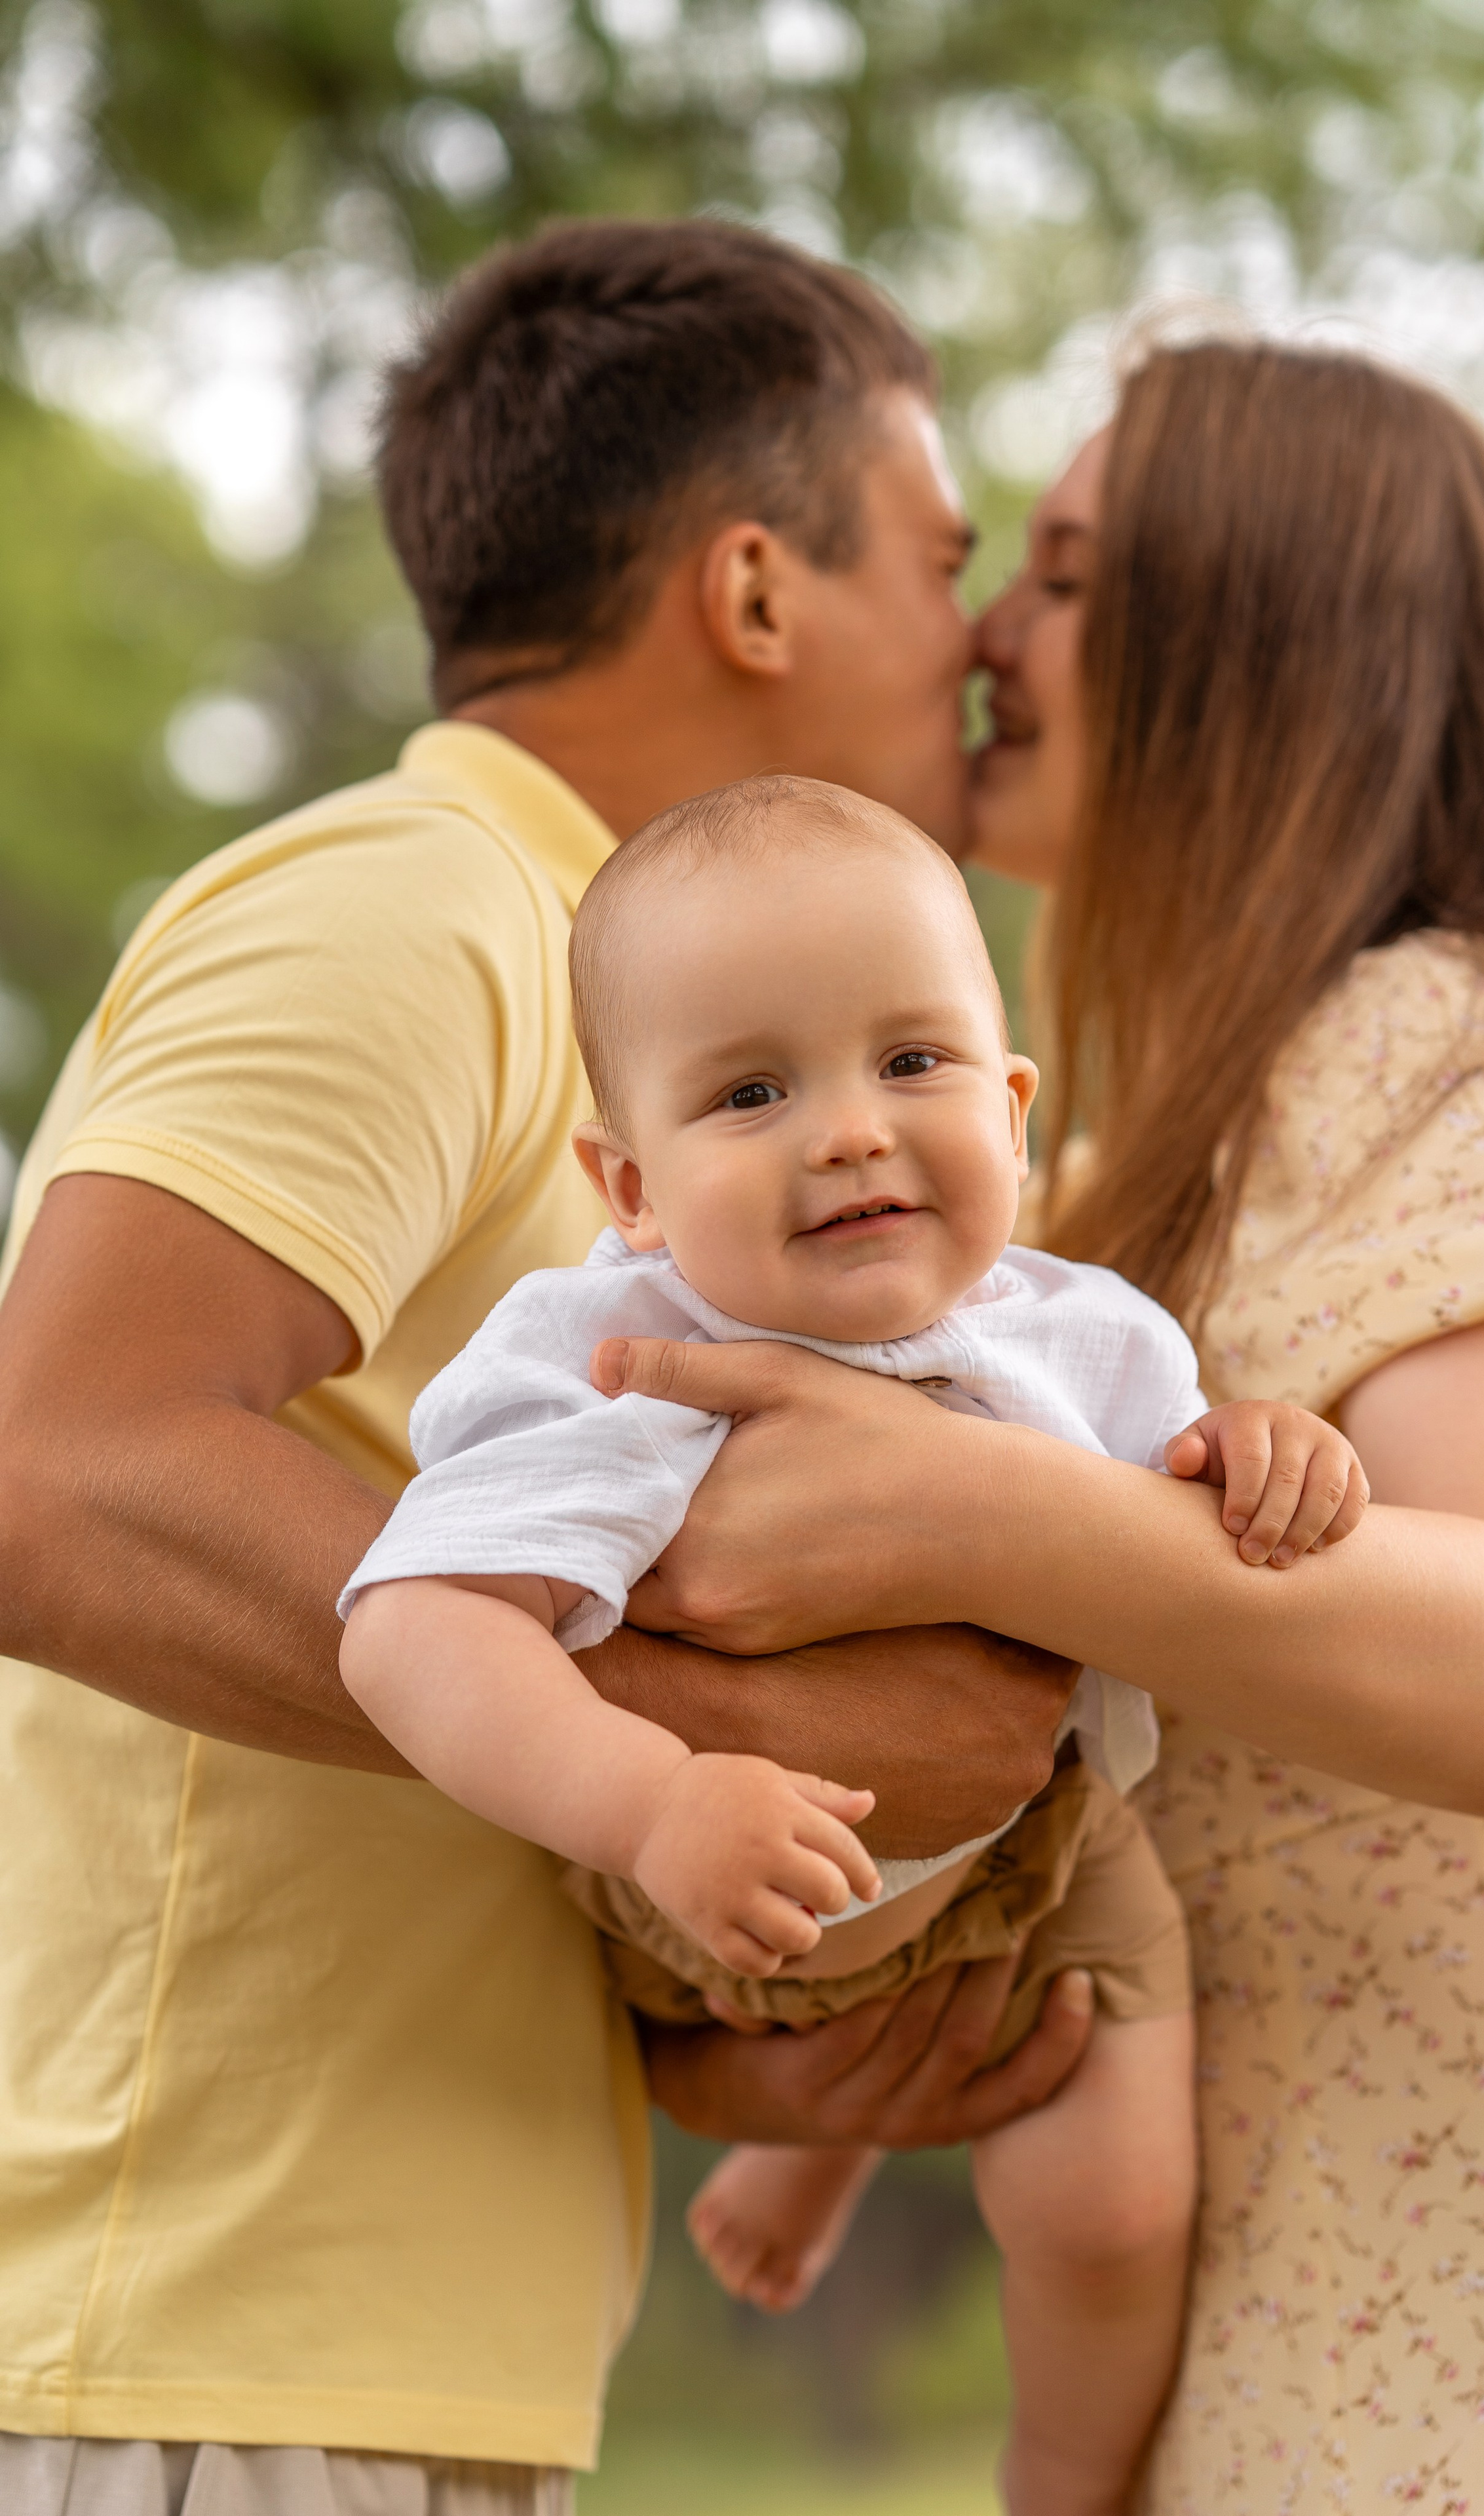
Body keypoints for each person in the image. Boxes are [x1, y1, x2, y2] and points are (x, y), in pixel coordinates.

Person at [0, 222, 1100, 2516]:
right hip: (203, 2332)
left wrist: (747, 2010)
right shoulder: (415, 903)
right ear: (758, 594)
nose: (982, 648)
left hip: (401, 2335)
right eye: (944, 560)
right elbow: (59, 1469)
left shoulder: (671, 1062)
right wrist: (719, 1749)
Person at [590, 343, 1484, 2508]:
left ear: (1262, 649)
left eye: (1069, 576)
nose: (993, 628)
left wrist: (958, 1516)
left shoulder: (1453, 1029)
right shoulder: (1098, 1190)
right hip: (1289, 2279)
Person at [334, 770, 1369, 2511]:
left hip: (1029, 1854)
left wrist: (1268, 1446)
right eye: (752, 1090)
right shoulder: (622, 1357)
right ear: (631, 1183)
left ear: (1015, 1108)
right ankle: (820, 2155)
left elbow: (1184, 1508)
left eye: (914, 1061)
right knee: (841, 1967)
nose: (850, 1130)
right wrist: (648, 1799)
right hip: (728, 1870)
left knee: (1114, 2212)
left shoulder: (1084, 1339)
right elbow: (411, 1628)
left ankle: (1058, 2483)